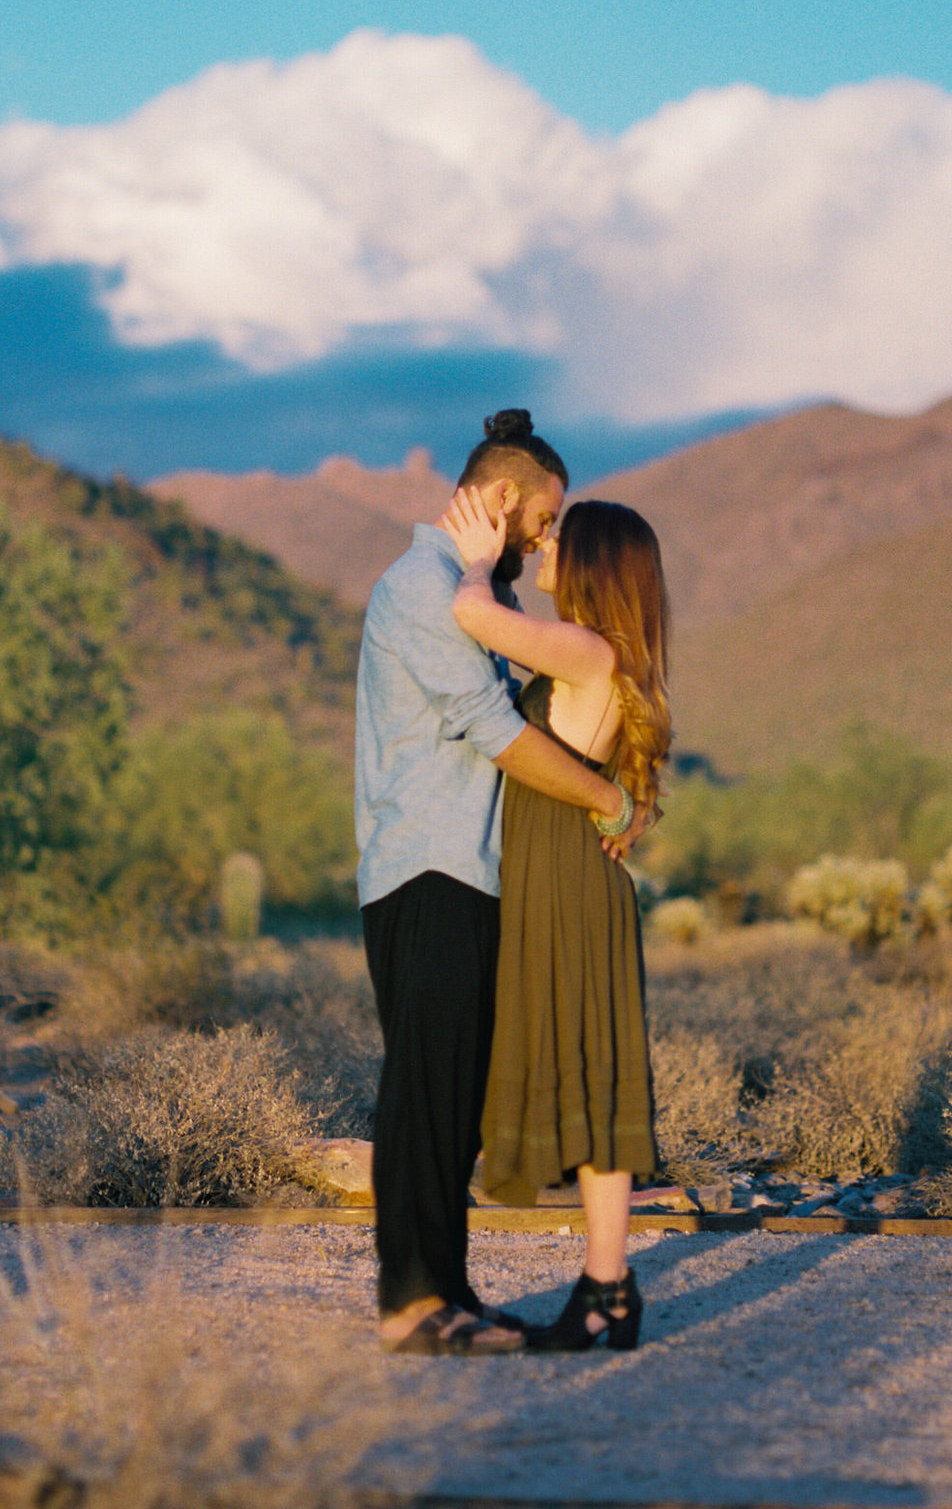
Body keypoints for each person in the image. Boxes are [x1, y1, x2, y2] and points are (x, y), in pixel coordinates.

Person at [354, 409, 654, 1356]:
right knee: (421, 1088)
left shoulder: (476, 598)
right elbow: (494, 730)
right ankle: (411, 1300)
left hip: (480, 876)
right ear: (505, 498)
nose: (547, 535)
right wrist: (609, 796)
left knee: (450, 1097)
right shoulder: (423, 589)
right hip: (429, 866)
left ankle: (445, 1291)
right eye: (545, 514)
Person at [443, 486, 670, 1353]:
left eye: (558, 540)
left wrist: (477, 553)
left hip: (566, 886)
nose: (545, 548)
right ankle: (607, 1287)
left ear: (595, 566)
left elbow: (471, 613)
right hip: (578, 881)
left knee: (589, 1075)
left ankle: (608, 1287)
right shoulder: (609, 658)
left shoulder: (581, 649)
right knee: (595, 1078)